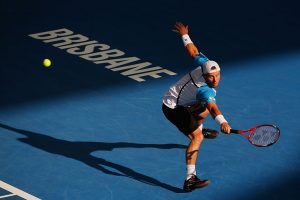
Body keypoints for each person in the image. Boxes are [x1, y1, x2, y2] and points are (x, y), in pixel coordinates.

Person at [162, 22, 232, 192]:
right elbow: (213, 107)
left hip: (184, 101)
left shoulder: (205, 63)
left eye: (217, 75)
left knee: (203, 110)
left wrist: (184, 35)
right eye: (211, 77)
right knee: (197, 138)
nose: (215, 80)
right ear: (205, 75)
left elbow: (192, 51)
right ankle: (190, 179)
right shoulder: (204, 90)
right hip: (173, 108)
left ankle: (198, 126)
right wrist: (222, 121)